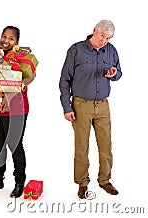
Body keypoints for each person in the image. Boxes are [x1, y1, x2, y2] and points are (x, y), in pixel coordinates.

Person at [59, 20, 122, 199]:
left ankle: (105, 180)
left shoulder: (111, 51)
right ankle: (82, 183)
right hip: (81, 106)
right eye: (102, 36)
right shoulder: (76, 50)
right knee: (81, 146)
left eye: (108, 38)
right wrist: (66, 106)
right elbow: (64, 81)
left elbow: (119, 73)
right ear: (94, 30)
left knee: (106, 145)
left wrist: (113, 73)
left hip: (103, 105)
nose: (104, 41)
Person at [0, 26, 36, 198]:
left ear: (17, 42)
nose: (6, 40)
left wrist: (12, 92)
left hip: (16, 109)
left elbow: (31, 76)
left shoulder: (22, 57)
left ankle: (19, 182)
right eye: (4, 36)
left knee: (15, 145)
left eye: (11, 38)